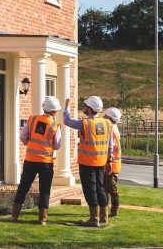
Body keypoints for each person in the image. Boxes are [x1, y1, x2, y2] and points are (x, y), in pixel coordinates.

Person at [11, 96, 62, 225]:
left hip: (30, 160)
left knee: (23, 187)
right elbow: (57, 145)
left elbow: (23, 136)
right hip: (46, 162)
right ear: (54, 111)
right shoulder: (55, 125)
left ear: (44, 108)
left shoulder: (32, 119)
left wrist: (30, 143)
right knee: (44, 190)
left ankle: (14, 216)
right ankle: (42, 219)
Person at [64, 96, 114, 227]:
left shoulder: (85, 123)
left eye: (86, 106)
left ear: (90, 109)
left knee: (90, 189)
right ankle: (104, 218)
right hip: (101, 162)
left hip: (87, 163)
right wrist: (109, 161)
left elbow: (67, 121)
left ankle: (94, 219)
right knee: (100, 188)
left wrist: (67, 106)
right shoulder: (107, 123)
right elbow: (110, 144)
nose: (84, 108)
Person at [103, 107, 122, 217]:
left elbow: (109, 148)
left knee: (110, 189)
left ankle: (111, 211)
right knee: (108, 188)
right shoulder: (115, 128)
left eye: (105, 115)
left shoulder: (110, 129)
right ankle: (109, 211)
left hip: (111, 165)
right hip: (115, 165)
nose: (103, 117)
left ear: (109, 117)